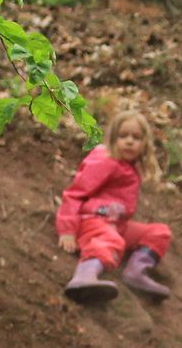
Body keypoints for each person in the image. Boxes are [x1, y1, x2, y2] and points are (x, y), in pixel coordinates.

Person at [56, 108, 171, 305]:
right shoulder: (104, 160)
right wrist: (67, 229)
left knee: (159, 232)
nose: (129, 141)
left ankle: (136, 272)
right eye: (123, 136)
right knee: (112, 240)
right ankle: (84, 276)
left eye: (136, 137)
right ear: (112, 138)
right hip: (92, 221)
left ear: (144, 144)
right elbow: (75, 193)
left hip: (116, 224)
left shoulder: (130, 167)